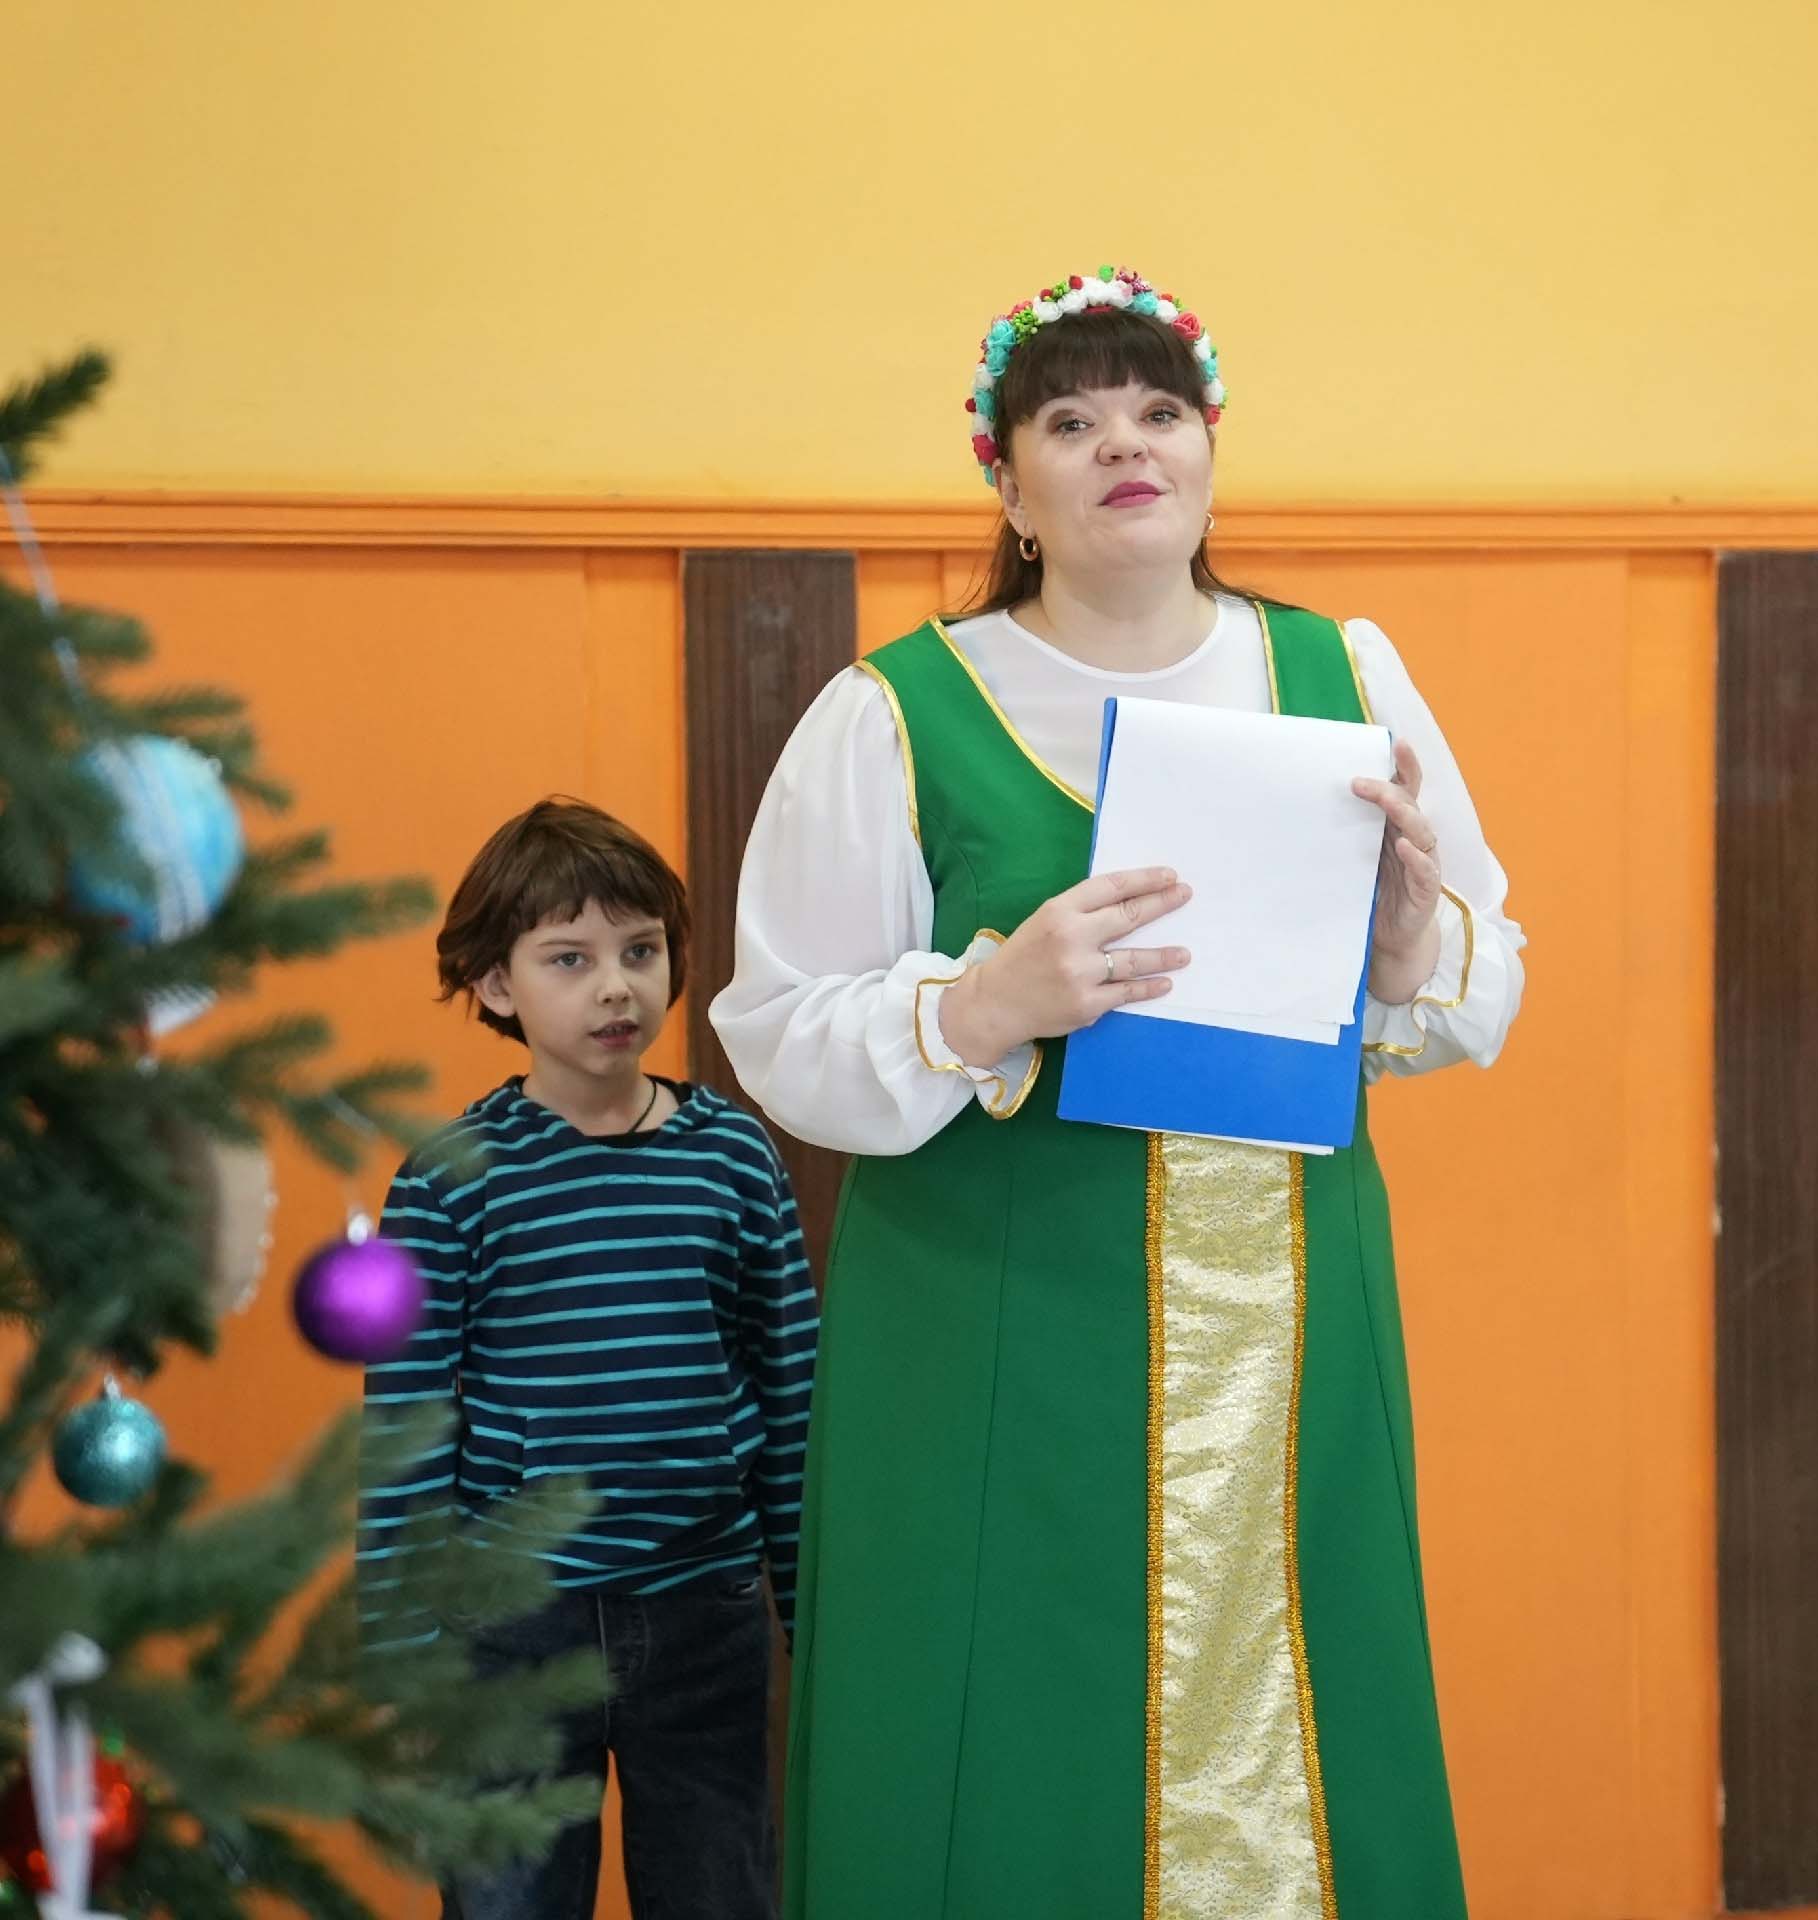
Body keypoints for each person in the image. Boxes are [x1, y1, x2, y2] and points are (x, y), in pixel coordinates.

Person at [711, 265, 1526, 1919]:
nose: (1125, 446)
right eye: (1072, 424)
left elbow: (1476, 967)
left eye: (1160, 412)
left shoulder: (1345, 670)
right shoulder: (893, 713)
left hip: (1293, 1313)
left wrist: (1404, 943)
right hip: (993, 1319)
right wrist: (983, 1005)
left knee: (1310, 1696)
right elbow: (779, 1027)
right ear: (1008, 487)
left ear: (1211, 450)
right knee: (1000, 1716)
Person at [360, 797, 814, 1920]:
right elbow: (406, 1423)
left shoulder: (734, 1156)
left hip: (706, 1610)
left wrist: (812, 1609)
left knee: (721, 1894)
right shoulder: (450, 1175)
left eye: (640, 951)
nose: (616, 986)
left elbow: (791, 1390)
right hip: (513, 1629)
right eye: (570, 958)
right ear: (495, 984)